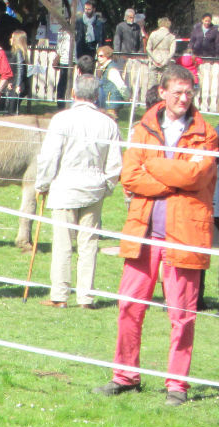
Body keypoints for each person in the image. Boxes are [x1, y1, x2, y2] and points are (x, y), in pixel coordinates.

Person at [96, 64, 217, 406]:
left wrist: (155, 166)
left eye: (188, 92)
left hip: (185, 236)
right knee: (128, 306)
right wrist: (171, 176)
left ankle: (177, 385)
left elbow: (196, 175)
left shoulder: (206, 133)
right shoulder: (143, 127)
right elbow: (131, 176)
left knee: (182, 315)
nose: (183, 98)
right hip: (144, 233)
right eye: (177, 91)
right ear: (162, 92)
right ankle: (125, 376)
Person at [34, 74, 121, 309]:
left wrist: (42, 184)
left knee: (63, 243)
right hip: (94, 187)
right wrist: (107, 187)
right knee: (88, 244)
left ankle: (60, 296)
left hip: (65, 186)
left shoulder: (61, 120)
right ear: (96, 96)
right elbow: (115, 164)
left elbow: (49, 156)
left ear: (74, 94)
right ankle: (86, 298)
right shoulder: (108, 123)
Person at [1, 28, 29, 113]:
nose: (10, 39)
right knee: (9, 107)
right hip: (13, 82)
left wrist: (17, 85)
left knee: (12, 108)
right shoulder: (16, 52)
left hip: (17, 84)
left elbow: (20, 69)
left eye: (12, 38)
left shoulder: (19, 52)